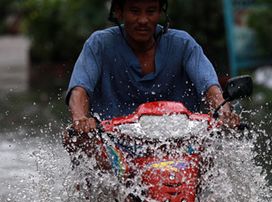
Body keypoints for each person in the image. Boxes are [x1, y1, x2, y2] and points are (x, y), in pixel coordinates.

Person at [65, 0, 239, 146]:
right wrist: (81, 120)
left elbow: (211, 87)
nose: (143, 20)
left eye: (151, 11)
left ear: (160, 13)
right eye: (134, 11)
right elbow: (79, 90)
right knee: (78, 142)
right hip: (115, 145)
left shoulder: (183, 44)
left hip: (180, 145)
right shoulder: (99, 45)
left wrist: (223, 114)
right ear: (119, 12)